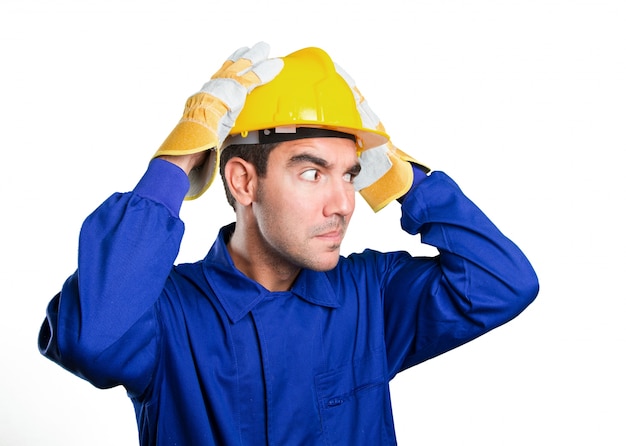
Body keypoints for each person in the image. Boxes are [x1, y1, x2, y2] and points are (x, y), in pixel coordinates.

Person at [38, 42, 539, 445]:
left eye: (352, 174)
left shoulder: (371, 295)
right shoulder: (168, 312)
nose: (344, 203)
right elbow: (92, 340)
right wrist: (179, 158)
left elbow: (503, 283)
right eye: (311, 172)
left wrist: (405, 182)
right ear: (243, 182)